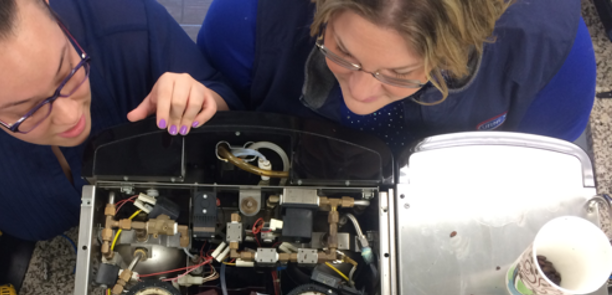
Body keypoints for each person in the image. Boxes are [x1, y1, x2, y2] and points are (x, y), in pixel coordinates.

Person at [0, 0, 241, 241]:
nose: (72, 118)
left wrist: (205, 100)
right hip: (38, 231)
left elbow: (230, 110)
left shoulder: (127, 18)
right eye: (27, 110)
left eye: (68, 70)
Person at [197, 0, 596, 154]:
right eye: (343, 52)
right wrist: (212, 100)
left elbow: (537, 169)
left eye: (400, 73)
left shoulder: (550, 58)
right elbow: (222, 90)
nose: (362, 95)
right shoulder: (246, 17)